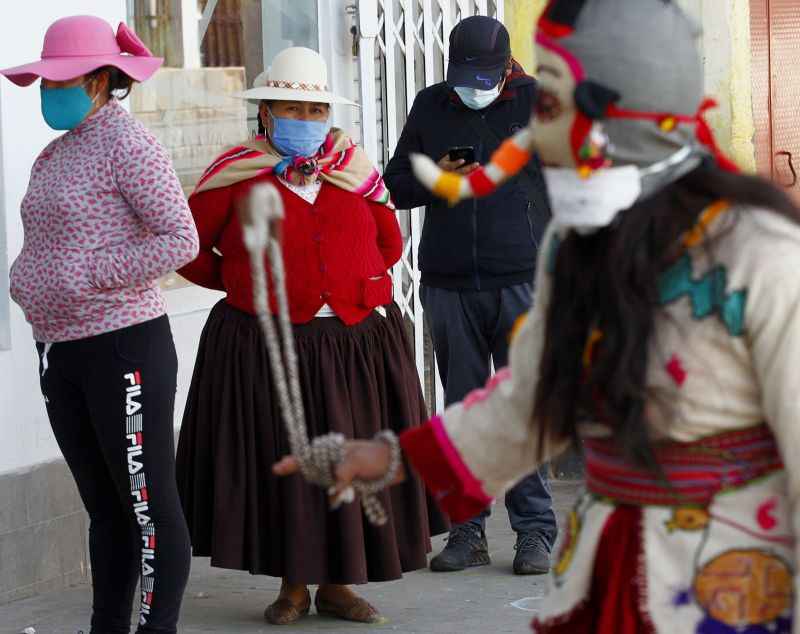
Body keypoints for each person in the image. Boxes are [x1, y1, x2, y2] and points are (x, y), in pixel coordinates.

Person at [276, 0, 800, 632]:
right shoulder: (574, 249)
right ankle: (474, 533)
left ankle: (533, 532)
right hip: (614, 567)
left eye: (560, 100)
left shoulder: (760, 253)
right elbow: (525, 404)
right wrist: (391, 456)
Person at [175, 46, 447, 626]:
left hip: (354, 341)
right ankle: (292, 586)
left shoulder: (355, 170)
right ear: (266, 113)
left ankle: (339, 586)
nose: (305, 118)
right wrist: (239, 281)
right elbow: (189, 248)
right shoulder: (235, 173)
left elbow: (389, 246)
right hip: (269, 342)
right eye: (291, 107)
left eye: (314, 108)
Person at [1, 16, 198, 634]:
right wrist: (28, 275)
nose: (47, 92)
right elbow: (49, 242)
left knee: (146, 508)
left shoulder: (128, 144)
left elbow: (180, 239)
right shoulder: (55, 153)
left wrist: (84, 276)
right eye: (43, 81)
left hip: (124, 348)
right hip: (62, 352)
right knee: (105, 511)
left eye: (60, 80)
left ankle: (155, 627)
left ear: (99, 80)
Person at [383, 14, 556, 575]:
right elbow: (397, 185)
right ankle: (467, 530)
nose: (474, 87)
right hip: (447, 281)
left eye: (485, 75)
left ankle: (533, 532)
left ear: (508, 65)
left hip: (522, 279)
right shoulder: (432, 105)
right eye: (466, 75)